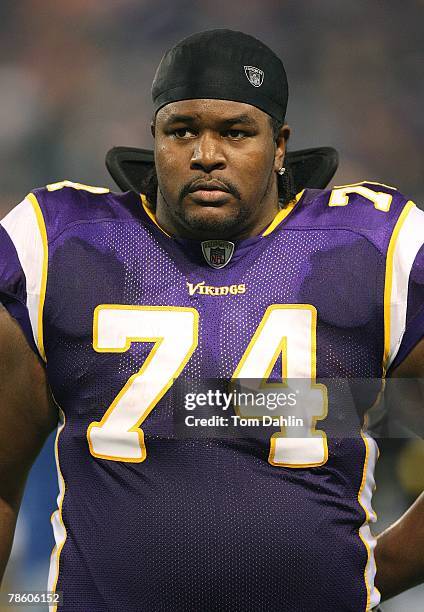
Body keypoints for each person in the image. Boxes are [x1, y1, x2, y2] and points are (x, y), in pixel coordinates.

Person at [0, 28, 423, 612]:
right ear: (154, 139)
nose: (206, 154)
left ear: (279, 145)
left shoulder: (368, 247)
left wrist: (374, 572)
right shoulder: (67, 244)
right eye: (182, 131)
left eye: (235, 132)